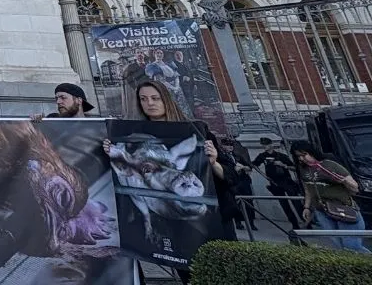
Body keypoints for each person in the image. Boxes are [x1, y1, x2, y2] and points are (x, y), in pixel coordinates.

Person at [105, 79, 236, 284]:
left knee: (221, 274)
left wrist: (214, 162)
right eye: (144, 99)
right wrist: (110, 151)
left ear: (167, 99)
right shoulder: (133, 138)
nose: (150, 103)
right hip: (175, 225)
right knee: (189, 274)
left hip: (214, 220)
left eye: (155, 98)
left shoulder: (197, 130)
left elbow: (229, 175)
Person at [291, 140, 368, 253]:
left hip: (343, 208)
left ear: (311, 152)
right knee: (340, 247)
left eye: (304, 155)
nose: (302, 159)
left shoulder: (329, 164)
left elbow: (355, 188)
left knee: (352, 247)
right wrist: (307, 207)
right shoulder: (303, 169)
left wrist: (344, 181)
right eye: (298, 156)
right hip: (322, 211)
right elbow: (308, 189)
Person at [252, 137, 301, 230]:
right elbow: (254, 164)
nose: (265, 147)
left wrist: (283, 165)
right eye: (263, 145)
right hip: (274, 182)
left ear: (271, 145)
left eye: (266, 145)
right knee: (284, 205)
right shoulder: (262, 156)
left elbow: (294, 168)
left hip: (286, 181)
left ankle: (306, 221)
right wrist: (264, 176)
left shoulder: (281, 156)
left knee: (297, 203)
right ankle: (294, 224)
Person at [221, 136, 258, 231]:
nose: (230, 147)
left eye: (231, 145)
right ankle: (238, 222)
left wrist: (243, 167)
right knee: (235, 203)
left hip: (243, 181)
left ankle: (251, 222)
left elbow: (250, 167)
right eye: (227, 145)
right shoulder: (222, 157)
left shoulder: (238, 156)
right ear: (222, 146)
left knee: (249, 202)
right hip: (233, 183)